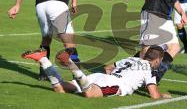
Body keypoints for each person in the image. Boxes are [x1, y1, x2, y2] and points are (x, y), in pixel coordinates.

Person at [7, 0, 80, 80]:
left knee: (46, 38)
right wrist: (74, 1)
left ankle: (43, 74)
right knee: (69, 42)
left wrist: (17, 5)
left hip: (41, 6)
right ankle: (78, 77)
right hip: (57, 5)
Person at [21, 46, 172, 99]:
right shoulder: (148, 70)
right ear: (157, 60)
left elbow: (107, 67)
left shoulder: (130, 59)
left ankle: (43, 60)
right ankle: (70, 63)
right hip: (114, 84)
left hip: (101, 76)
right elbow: (154, 95)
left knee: (60, 89)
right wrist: (163, 96)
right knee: (90, 95)